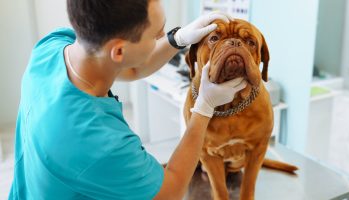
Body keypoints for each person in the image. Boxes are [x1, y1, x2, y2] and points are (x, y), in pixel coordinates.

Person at [8, 0, 247, 199]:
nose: (162, 35)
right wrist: (204, 107)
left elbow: (132, 70)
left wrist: (178, 38)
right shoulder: (100, 143)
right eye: (156, 34)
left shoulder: (52, 47)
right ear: (119, 51)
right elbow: (170, 189)